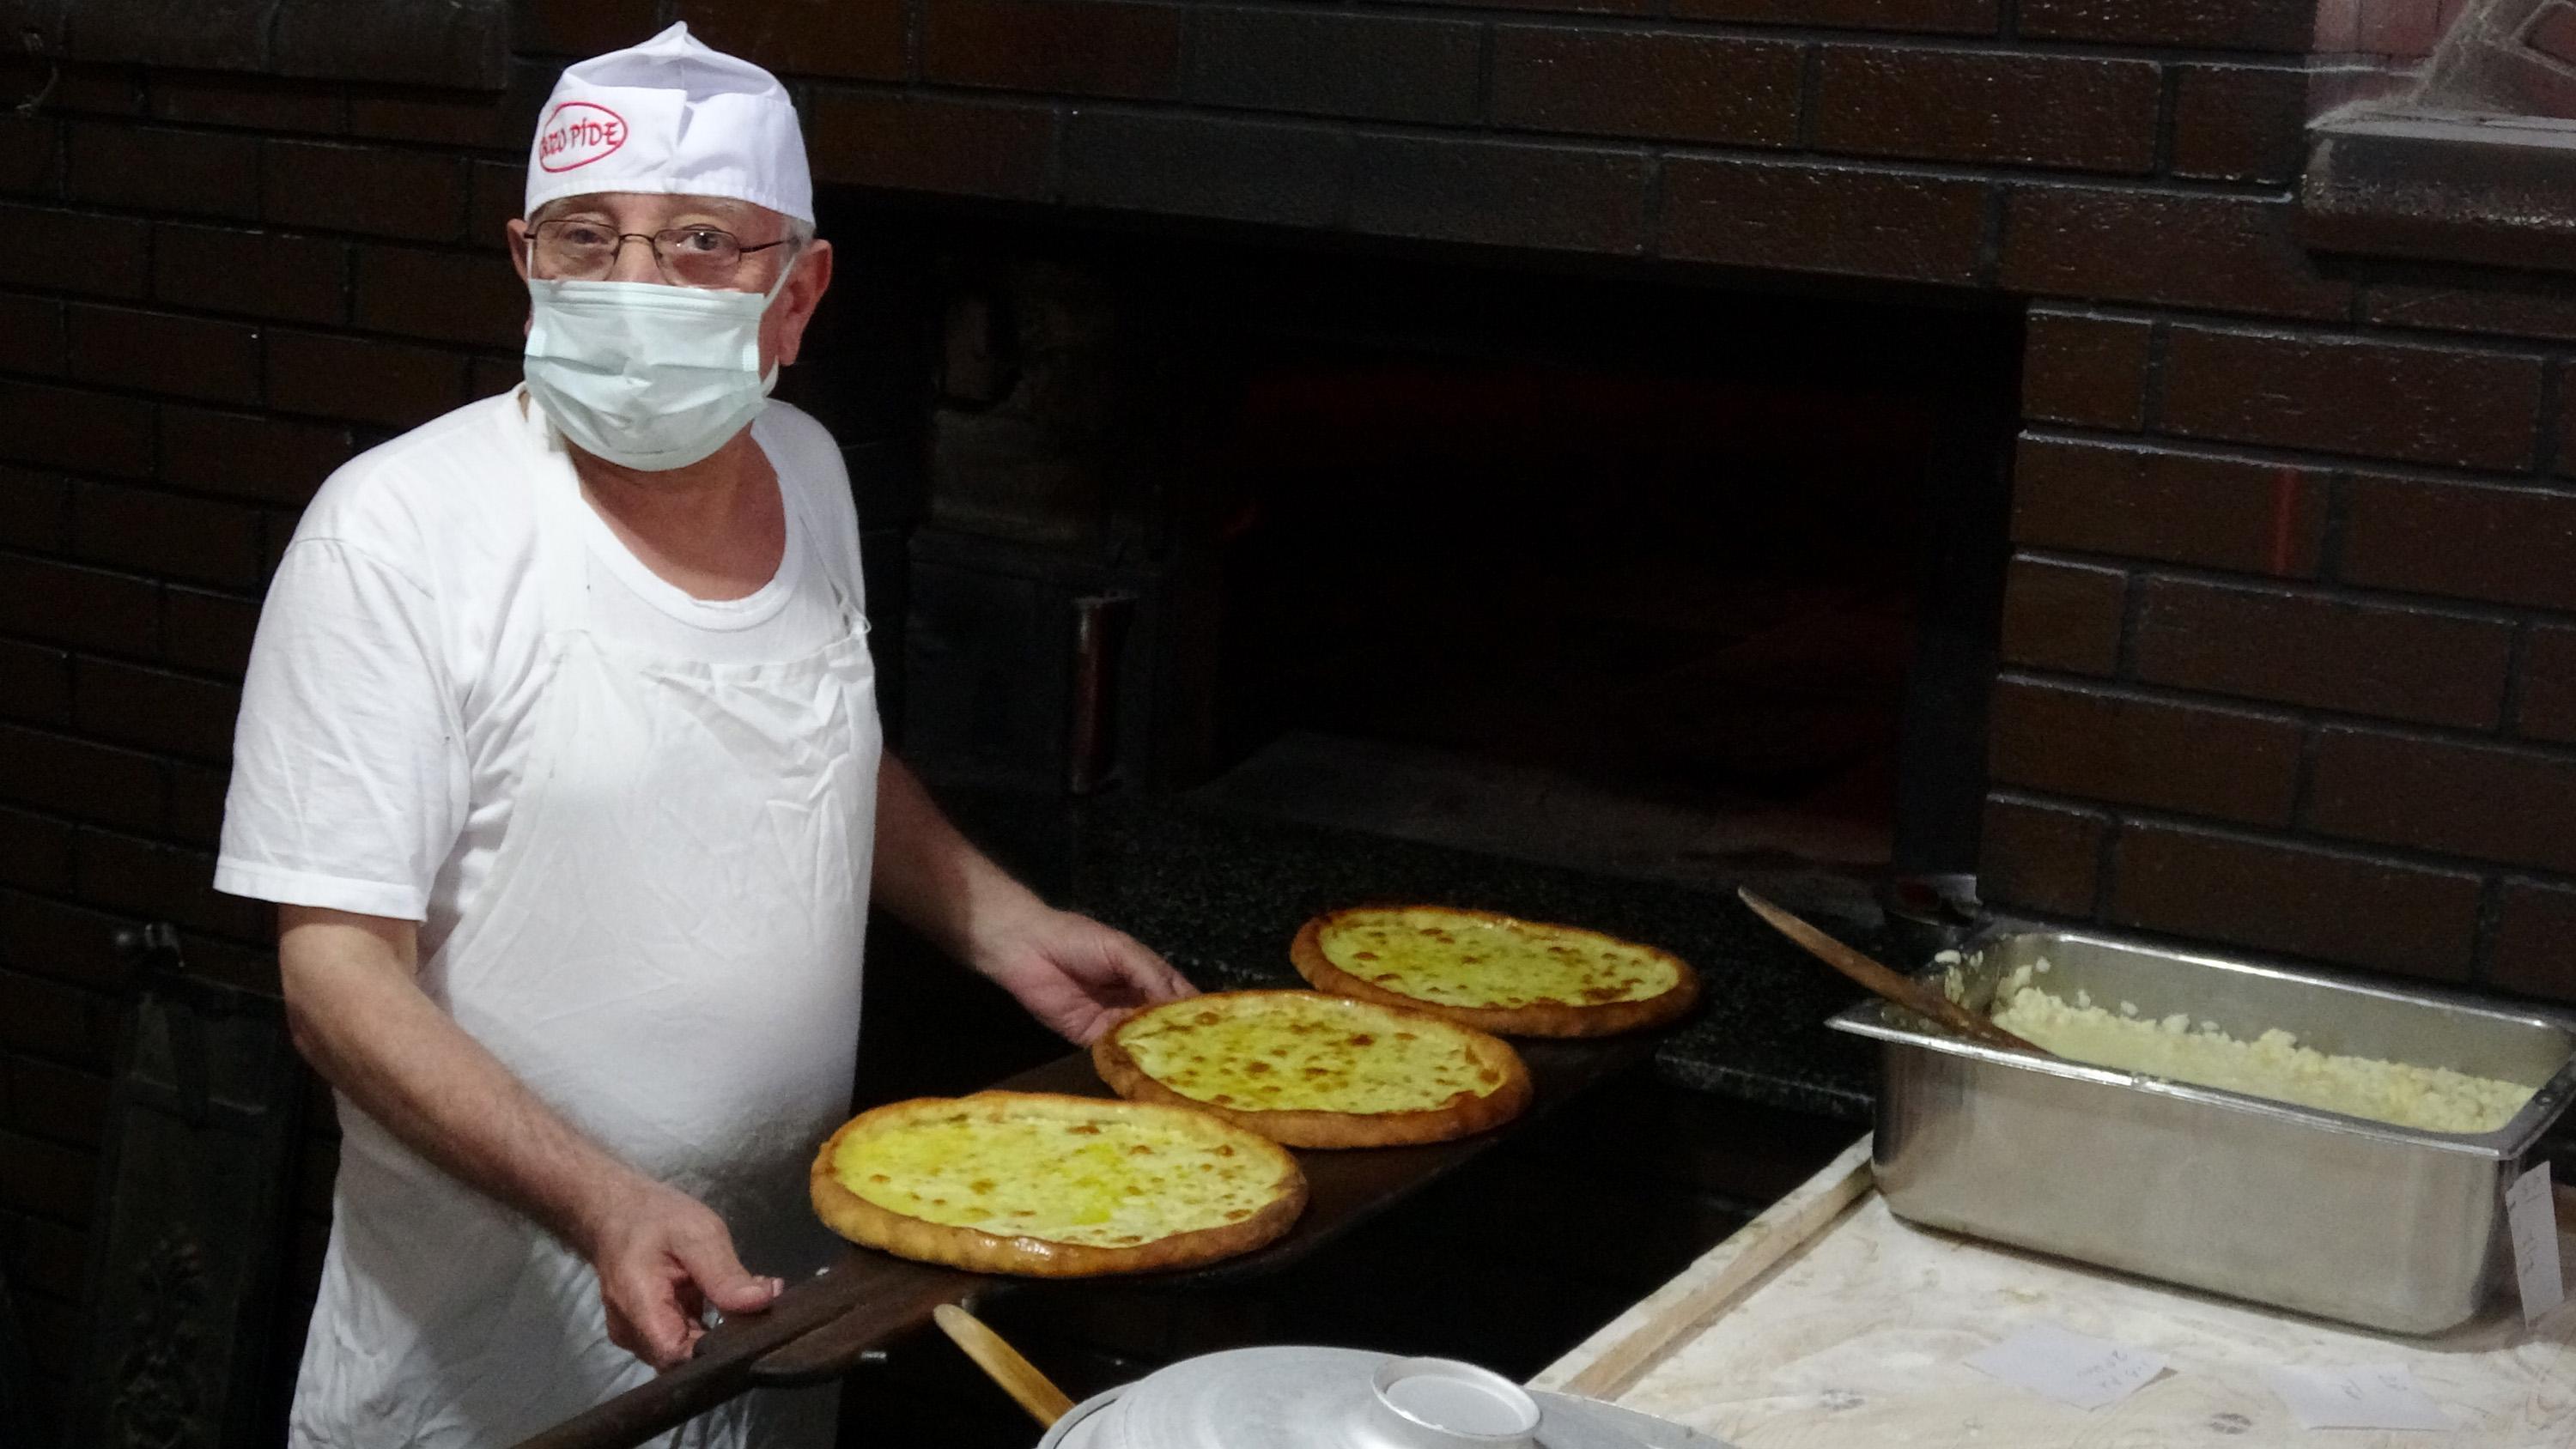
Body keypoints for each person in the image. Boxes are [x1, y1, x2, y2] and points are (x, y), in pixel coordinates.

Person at [214, 25, 1194, 1447]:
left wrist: (1004, 924)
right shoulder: (400, 533)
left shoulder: (811, 472)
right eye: (587, 237)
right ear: (525, 262)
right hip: (492, 1370)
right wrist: (600, 1199)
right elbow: (335, 976)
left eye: (699, 243)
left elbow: (811, 737)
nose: (634, 285)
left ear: (799, 294)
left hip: (774, 1313)